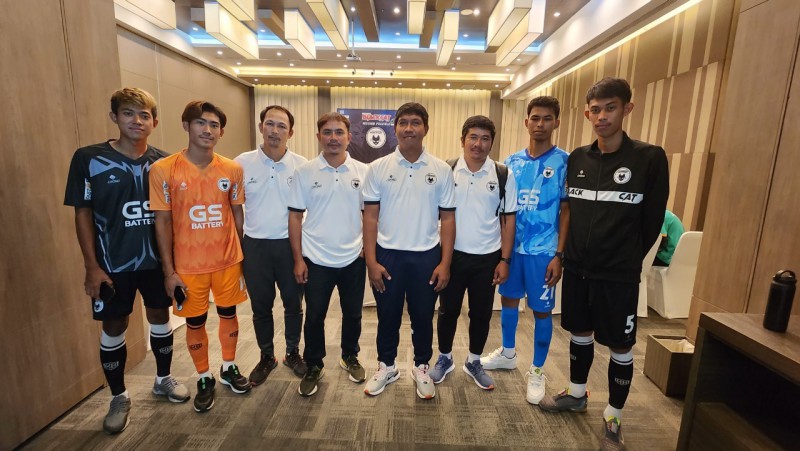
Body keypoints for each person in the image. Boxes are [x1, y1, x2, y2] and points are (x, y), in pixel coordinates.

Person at [538, 78, 669, 451]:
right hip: (578, 269)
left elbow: (652, 222)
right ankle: (577, 393)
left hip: (618, 274)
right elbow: (571, 212)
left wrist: (625, 257)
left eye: (610, 108)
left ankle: (614, 415)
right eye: (595, 110)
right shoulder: (577, 158)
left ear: (627, 108)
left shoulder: (649, 158)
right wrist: (564, 256)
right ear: (586, 114)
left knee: (621, 346)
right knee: (579, 332)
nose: (602, 116)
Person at [64, 88, 190, 433]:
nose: (137, 121)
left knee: (160, 317)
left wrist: (173, 268)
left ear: (154, 122)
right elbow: (82, 213)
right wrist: (92, 267)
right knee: (114, 325)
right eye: (128, 113)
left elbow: (172, 218)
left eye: (144, 115)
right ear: (114, 117)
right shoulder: (88, 159)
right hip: (112, 264)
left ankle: (163, 379)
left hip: (156, 262)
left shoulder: (165, 163)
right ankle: (119, 396)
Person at [150, 100, 252, 413]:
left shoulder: (232, 169)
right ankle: (204, 376)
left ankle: (229, 367)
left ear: (221, 132)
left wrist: (243, 258)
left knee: (229, 314)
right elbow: (162, 222)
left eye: (214, 125)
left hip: (227, 260)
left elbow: (237, 215)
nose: (207, 130)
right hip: (188, 265)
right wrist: (169, 271)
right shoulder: (163, 169)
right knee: (195, 320)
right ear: (186, 126)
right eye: (200, 123)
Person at [479, 96, 569, 405]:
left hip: (544, 251)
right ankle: (507, 353)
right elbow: (503, 209)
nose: (540, 124)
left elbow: (567, 212)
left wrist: (559, 255)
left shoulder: (564, 161)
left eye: (547, 118)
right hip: (512, 249)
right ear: (526, 122)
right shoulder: (511, 162)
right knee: (509, 299)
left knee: (541, 310)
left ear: (556, 122)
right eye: (535, 118)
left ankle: (538, 370)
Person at [362, 102, 456, 399]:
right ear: (395, 129)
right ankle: (387, 366)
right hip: (388, 255)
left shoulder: (441, 169)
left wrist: (445, 263)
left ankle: (421, 367)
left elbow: (448, 219)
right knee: (387, 315)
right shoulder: (378, 168)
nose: (409, 128)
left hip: (426, 256)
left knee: (423, 316)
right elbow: (370, 218)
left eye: (415, 122)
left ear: (426, 128)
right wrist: (371, 262)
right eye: (403, 123)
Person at [428, 115, 518, 391]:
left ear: (491, 142)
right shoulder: (447, 169)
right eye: (473, 137)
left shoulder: (503, 174)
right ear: (463, 140)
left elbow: (508, 220)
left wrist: (504, 260)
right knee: (448, 311)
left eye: (485, 138)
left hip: (487, 258)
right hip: (451, 256)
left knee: (481, 313)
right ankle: (444, 358)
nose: (478, 144)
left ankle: (474, 361)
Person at [287, 112, 369, 396]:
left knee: (353, 314)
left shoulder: (363, 171)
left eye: (339, 132)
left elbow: (370, 215)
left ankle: (350, 356)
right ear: (318, 136)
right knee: (314, 316)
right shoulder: (305, 171)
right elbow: (294, 217)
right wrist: (298, 259)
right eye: (327, 132)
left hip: (353, 258)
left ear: (349, 137)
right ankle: (314, 363)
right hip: (315, 258)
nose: (333, 138)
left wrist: (366, 248)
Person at [234, 106, 308, 385]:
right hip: (255, 247)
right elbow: (235, 208)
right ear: (260, 127)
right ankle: (267, 356)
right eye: (269, 124)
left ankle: (292, 352)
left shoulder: (302, 165)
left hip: (291, 247)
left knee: (293, 304)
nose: (275, 131)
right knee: (261, 306)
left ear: (291, 132)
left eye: (281, 126)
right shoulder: (241, 163)